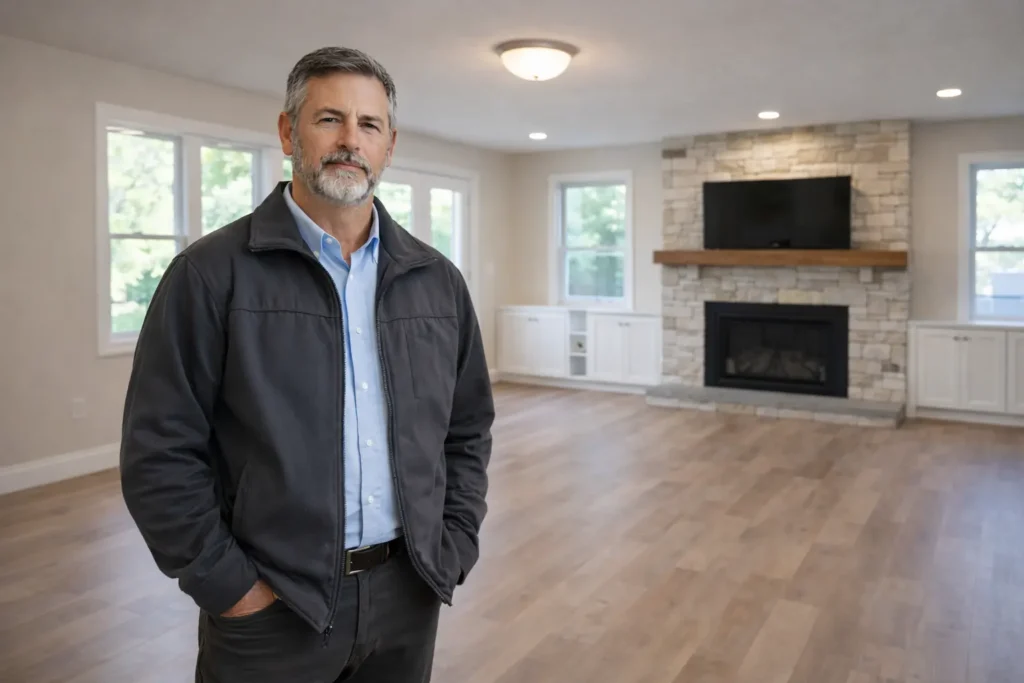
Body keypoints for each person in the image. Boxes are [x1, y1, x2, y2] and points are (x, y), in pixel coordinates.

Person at [119, 46, 494, 683]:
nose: (351, 140)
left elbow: (466, 429)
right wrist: (231, 588)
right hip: (272, 609)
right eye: (329, 119)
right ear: (289, 132)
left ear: (389, 145)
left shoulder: (437, 282)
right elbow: (159, 450)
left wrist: (452, 545)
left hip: (410, 594)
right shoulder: (210, 275)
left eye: (369, 124)